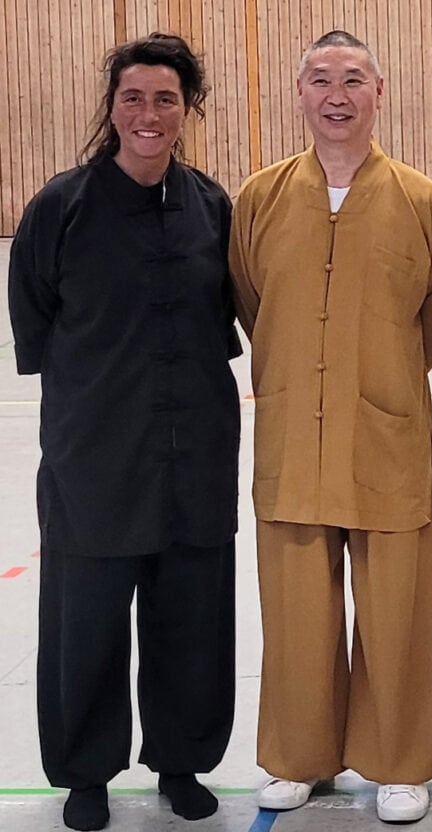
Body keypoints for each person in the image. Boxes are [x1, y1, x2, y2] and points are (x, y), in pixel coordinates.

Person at [7, 33, 240, 832]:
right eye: (133, 97)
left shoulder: (212, 207)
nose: (148, 113)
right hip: (95, 460)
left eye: (165, 99)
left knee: (191, 621)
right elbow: (34, 330)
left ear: (188, 111)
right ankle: (86, 772)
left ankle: (182, 760)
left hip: (195, 456)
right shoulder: (58, 209)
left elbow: (223, 326)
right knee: (87, 625)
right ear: (111, 108)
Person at [229, 30, 432, 824]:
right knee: (295, 606)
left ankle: (400, 762)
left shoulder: (423, 202)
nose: (337, 93)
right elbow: (253, 306)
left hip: (386, 433)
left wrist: (375, 377)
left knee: (397, 605)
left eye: (353, 78)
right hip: (292, 436)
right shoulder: (258, 199)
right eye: (321, 79)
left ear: (379, 92)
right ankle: (300, 757)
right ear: (299, 93)